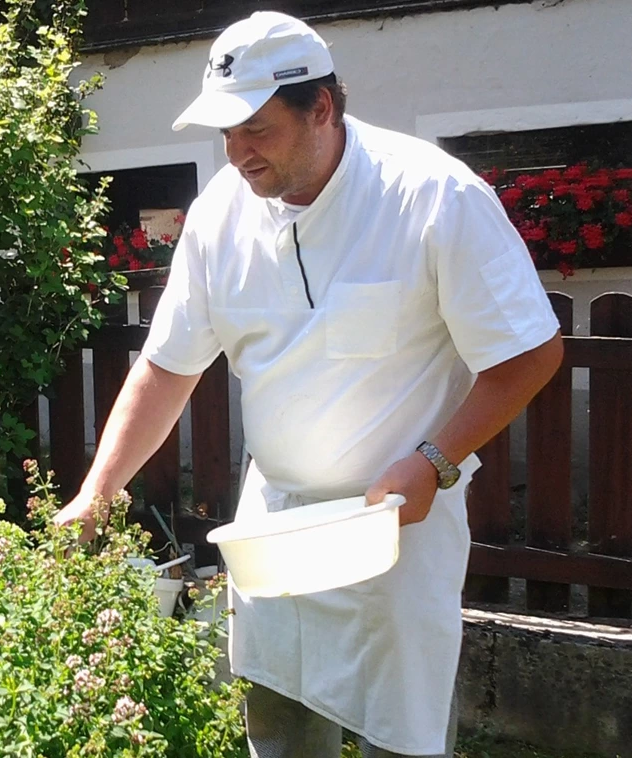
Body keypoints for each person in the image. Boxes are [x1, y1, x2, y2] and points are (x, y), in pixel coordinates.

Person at [52, 10, 564, 758]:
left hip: (394, 523)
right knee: (279, 727)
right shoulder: (218, 215)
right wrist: (98, 493)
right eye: (223, 133)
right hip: (273, 523)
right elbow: (167, 365)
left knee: (403, 735)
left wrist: (433, 462)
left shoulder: (432, 198)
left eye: (253, 128)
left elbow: (528, 353)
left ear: (320, 107)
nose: (236, 153)